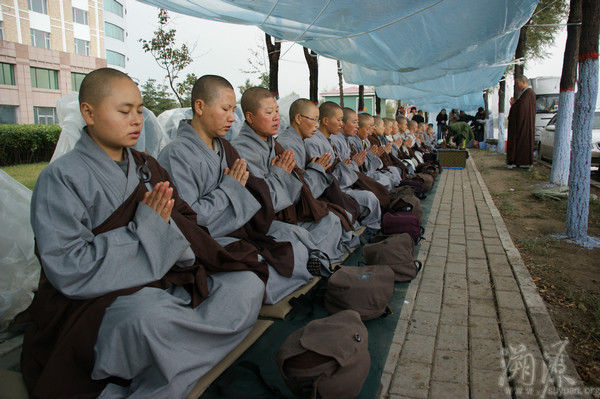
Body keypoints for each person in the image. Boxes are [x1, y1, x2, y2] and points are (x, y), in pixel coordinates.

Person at [22, 68, 266, 398]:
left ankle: (172, 363)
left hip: (166, 274)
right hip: (99, 298)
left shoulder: (147, 166)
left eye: (139, 110)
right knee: (150, 317)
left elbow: (188, 223)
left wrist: (167, 235)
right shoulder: (61, 178)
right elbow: (69, 267)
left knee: (246, 284)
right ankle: (170, 370)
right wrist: (146, 230)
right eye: (124, 111)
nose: (136, 120)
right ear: (88, 113)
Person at [157, 75, 312, 305]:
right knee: (252, 280)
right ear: (199, 106)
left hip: (239, 229)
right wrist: (230, 189)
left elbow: (253, 195)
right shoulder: (176, 154)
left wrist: (251, 186)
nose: (232, 117)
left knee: (298, 246)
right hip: (207, 242)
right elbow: (191, 221)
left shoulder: (225, 147)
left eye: (233, 110)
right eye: (226, 109)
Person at [232, 87, 358, 265]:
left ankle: (320, 262)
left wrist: (315, 169)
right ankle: (319, 263)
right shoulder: (243, 150)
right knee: (308, 233)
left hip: (287, 210)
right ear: (250, 117)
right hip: (262, 222)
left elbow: (297, 184)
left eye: (276, 110)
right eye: (269, 112)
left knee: (333, 217)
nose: (277, 116)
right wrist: (286, 173)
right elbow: (263, 201)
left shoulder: (274, 144)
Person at [304, 101, 382, 229]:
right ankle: (370, 227)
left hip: (341, 184)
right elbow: (322, 177)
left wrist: (349, 166)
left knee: (374, 190)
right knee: (370, 198)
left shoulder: (328, 140)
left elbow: (334, 170)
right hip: (330, 192)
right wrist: (348, 166)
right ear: (325, 121)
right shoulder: (314, 143)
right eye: (339, 120)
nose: (342, 123)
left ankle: (371, 225)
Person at [507, 75, 536, 168]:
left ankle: (523, 162)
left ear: (524, 82)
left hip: (524, 124)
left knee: (522, 142)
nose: (517, 86)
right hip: (524, 124)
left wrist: (514, 104)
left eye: (518, 83)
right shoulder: (526, 93)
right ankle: (518, 161)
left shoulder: (528, 93)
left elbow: (521, 107)